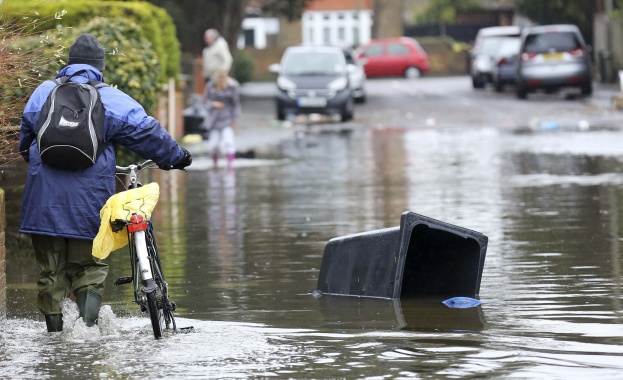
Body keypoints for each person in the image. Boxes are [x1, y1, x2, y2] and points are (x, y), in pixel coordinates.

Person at [17, 33, 192, 333]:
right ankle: (84, 336)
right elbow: (147, 132)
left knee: (51, 273)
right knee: (89, 270)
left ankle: (56, 338)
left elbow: (25, 144)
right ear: (100, 67)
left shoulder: (43, 92)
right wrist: (178, 157)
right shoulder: (109, 98)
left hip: (41, 205)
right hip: (89, 205)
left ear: (68, 63)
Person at [203, 67, 240, 170]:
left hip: (227, 119)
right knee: (213, 145)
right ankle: (215, 163)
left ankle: (230, 165)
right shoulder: (210, 86)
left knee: (229, 142)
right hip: (214, 120)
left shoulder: (231, 87)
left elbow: (236, 104)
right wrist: (213, 104)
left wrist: (235, 119)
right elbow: (205, 102)